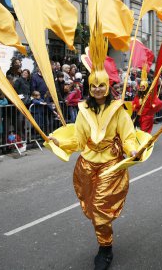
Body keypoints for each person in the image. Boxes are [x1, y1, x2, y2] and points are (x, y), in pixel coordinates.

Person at [47, 21, 139, 270]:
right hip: (87, 165)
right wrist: (59, 141)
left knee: (99, 207)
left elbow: (128, 134)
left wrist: (132, 150)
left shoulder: (118, 110)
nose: (98, 89)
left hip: (111, 165)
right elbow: (78, 139)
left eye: (101, 85)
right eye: (93, 86)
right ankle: (103, 236)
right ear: (89, 87)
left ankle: (105, 248)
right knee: (91, 208)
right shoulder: (83, 110)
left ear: (107, 86)